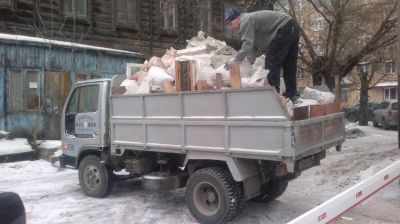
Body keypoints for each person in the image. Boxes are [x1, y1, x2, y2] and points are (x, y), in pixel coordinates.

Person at [225, 8, 300, 102]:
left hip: (284, 29)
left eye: (231, 23)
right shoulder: (250, 21)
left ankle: (273, 97)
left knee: (271, 62)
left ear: (237, 18)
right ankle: (292, 94)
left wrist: (235, 61)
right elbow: (252, 47)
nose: (231, 27)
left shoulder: (245, 21)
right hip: (292, 26)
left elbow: (247, 45)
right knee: (289, 64)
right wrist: (249, 63)